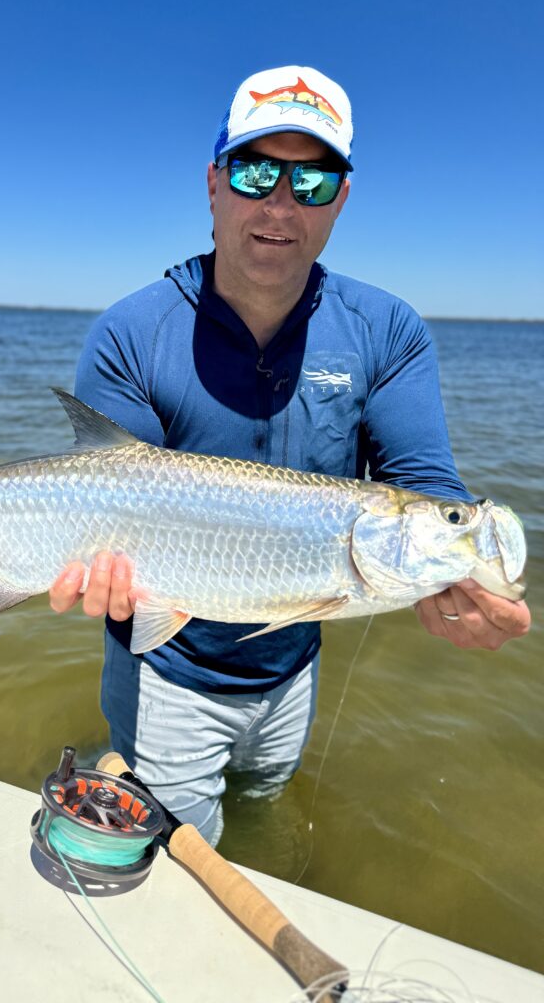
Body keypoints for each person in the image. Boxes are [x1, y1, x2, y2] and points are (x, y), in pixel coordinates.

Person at [49, 65, 531, 846]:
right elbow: (106, 481)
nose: (279, 204)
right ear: (214, 183)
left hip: (295, 664)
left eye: (312, 182)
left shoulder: (388, 331)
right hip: (163, 671)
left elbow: (423, 481)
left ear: (341, 199)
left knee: (268, 812)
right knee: (180, 862)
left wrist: (461, 577)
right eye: (255, 171)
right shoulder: (131, 333)